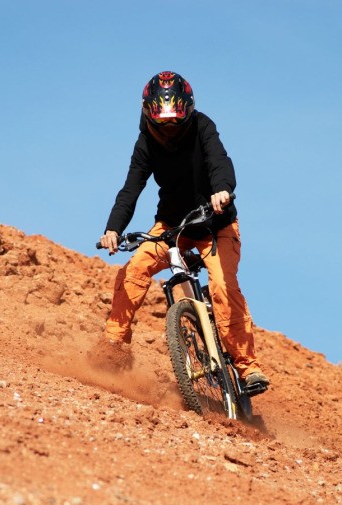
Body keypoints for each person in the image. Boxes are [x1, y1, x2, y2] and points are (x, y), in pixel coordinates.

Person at [99, 71, 269, 391]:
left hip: (216, 223)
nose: (168, 131)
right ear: (148, 114)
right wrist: (113, 228)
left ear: (187, 112)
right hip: (172, 226)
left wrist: (222, 189)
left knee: (221, 285)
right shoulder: (146, 142)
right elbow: (131, 188)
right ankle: (113, 345)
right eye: (161, 124)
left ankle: (248, 368)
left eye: (175, 123)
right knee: (135, 269)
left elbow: (220, 161)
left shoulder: (203, 127)